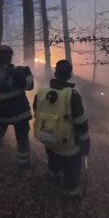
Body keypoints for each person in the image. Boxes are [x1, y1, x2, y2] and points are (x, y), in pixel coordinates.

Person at [33, 60, 90, 199]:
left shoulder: (42, 91)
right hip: (68, 144)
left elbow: (36, 111)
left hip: (47, 137)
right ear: (70, 75)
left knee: (54, 157)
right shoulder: (73, 96)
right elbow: (81, 122)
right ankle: (71, 194)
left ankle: (53, 176)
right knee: (72, 169)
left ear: (55, 73)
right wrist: (85, 142)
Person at [0, 45, 34, 168]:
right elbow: (29, 86)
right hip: (19, 114)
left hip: (0, 113)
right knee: (22, 138)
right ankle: (23, 163)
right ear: (10, 57)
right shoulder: (15, 73)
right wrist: (28, 73)